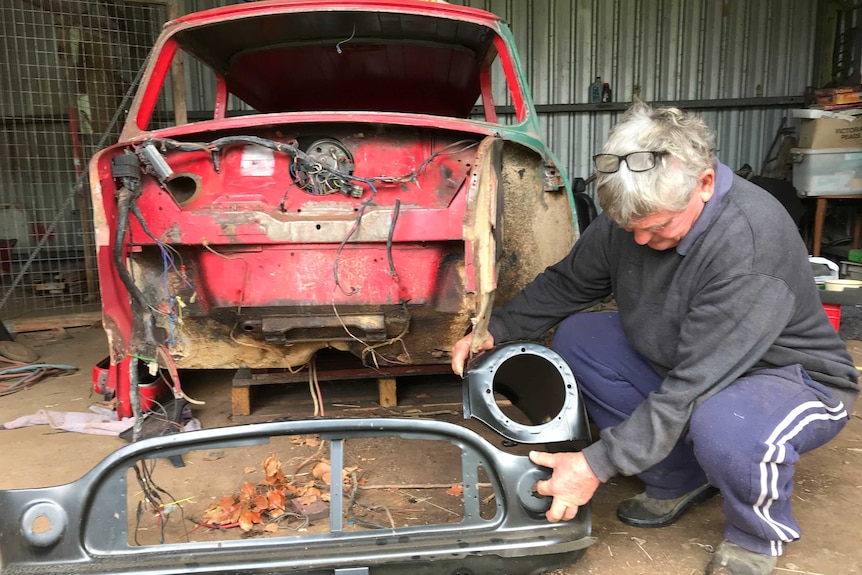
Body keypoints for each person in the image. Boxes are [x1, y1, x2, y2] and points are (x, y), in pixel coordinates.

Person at [451, 102, 859, 575]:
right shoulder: (635, 209)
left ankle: (756, 533)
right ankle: (679, 476)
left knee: (728, 425)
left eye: (658, 227)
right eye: (630, 229)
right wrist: (497, 329)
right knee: (581, 337)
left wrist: (594, 464)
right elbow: (570, 282)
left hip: (786, 377)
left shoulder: (749, 242)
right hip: (692, 352)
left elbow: (693, 384)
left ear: (704, 183)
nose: (641, 241)